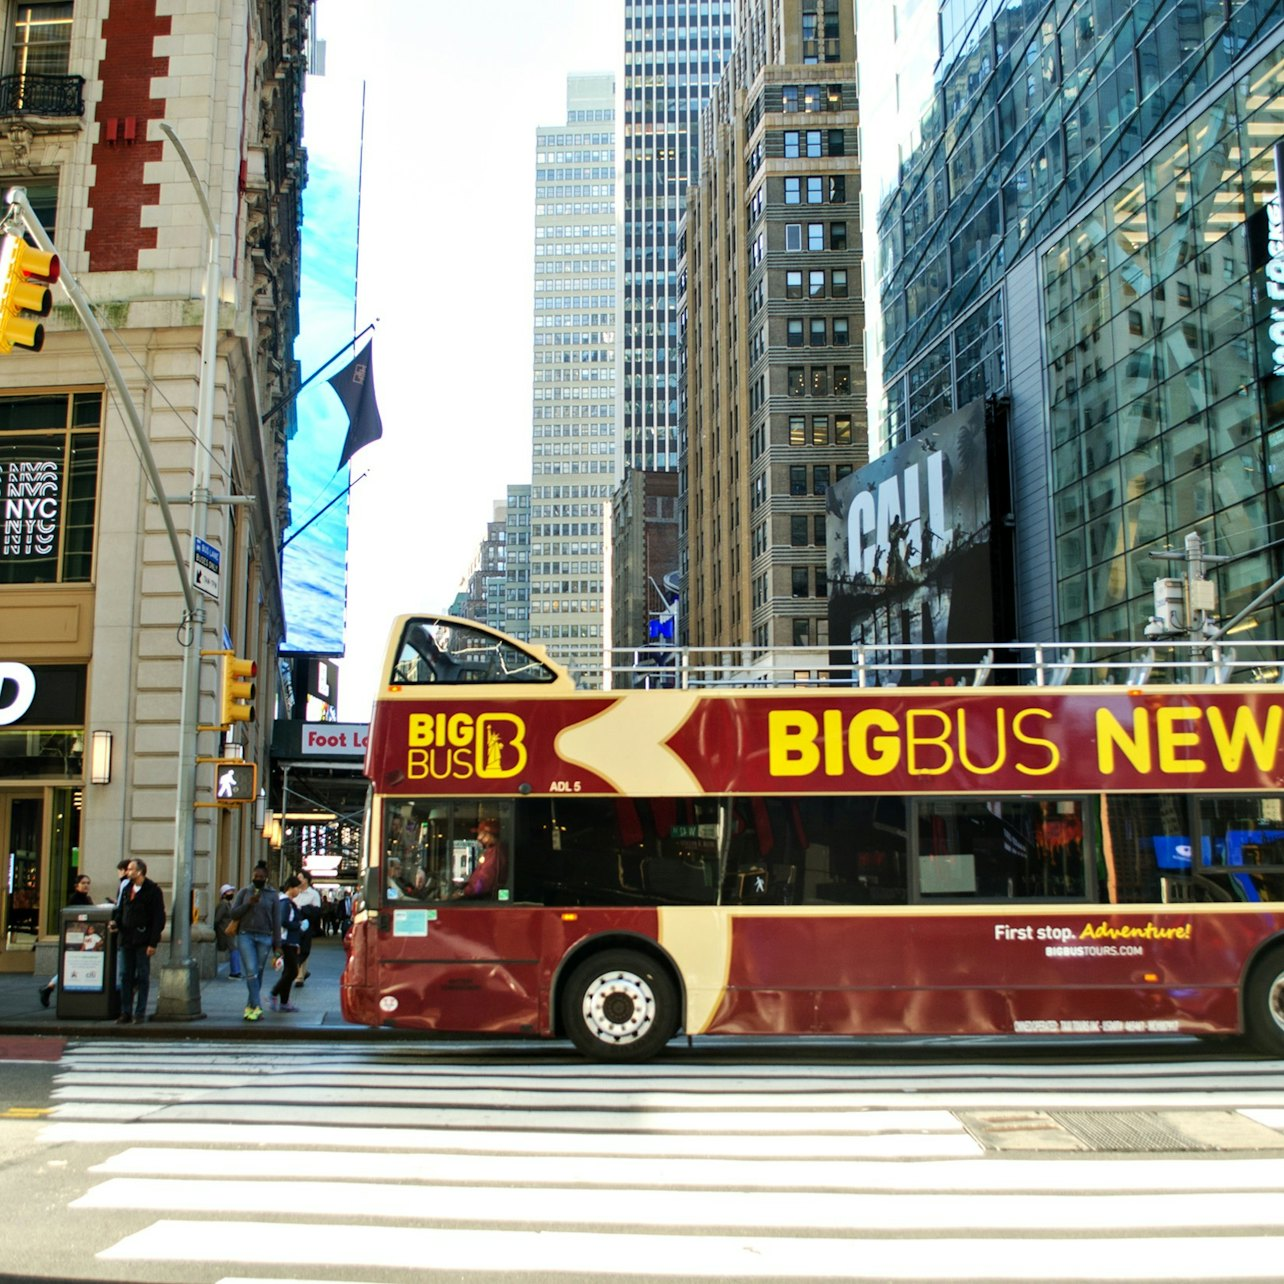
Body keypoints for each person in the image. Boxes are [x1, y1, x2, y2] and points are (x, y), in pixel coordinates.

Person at [111, 859, 166, 1024]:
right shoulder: (127, 888)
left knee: (142, 976)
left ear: (140, 871)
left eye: (130, 869)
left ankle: (139, 1012)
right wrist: (116, 923)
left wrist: (153, 943)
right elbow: (121, 910)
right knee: (125, 976)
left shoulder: (153, 890)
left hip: (143, 939)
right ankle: (125, 1011)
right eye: (127, 869)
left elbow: (159, 918)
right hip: (126, 938)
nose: (127, 872)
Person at [228, 861, 280, 1021]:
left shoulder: (272, 895)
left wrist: (277, 945)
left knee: (258, 971)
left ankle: (250, 1007)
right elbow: (233, 913)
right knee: (251, 970)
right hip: (246, 935)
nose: (258, 878)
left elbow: (276, 920)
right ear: (252, 876)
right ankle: (257, 1005)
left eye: (262, 877)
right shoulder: (244, 893)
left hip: (265, 936)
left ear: (266, 878)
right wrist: (248, 904)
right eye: (256, 876)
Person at [37, 873, 93, 1007]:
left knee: (71, 966)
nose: (86, 885)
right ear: (76, 885)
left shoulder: (87, 899)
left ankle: (49, 987)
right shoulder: (75, 899)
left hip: (83, 937)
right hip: (76, 937)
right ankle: (49, 987)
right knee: (70, 966)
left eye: (88, 883)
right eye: (83, 883)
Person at [268, 875, 303, 1012]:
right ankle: (274, 993)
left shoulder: (287, 902)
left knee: (288, 972)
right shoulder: (285, 903)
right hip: (286, 941)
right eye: (297, 888)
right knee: (293, 971)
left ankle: (284, 1002)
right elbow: (283, 921)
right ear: (291, 888)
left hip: (291, 941)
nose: (299, 891)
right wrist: (298, 925)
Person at [452, 818, 508, 899]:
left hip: (485, 898)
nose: (478, 838)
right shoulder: (493, 851)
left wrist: (463, 893)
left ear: (490, 835)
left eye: (481, 834)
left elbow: (483, 881)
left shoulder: (494, 853)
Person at [294, 870, 321, 986]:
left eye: (300, 877)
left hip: (306, 925)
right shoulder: (294, 892)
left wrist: (303, 909)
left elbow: (316, 912)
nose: (298, 879)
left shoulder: (313, 894)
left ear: (306, 880)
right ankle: (302, 972)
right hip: (294, 925)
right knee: (295, 948)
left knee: (304, 949)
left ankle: (299, 976)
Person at [213, 883, 242, 979]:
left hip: (228, 931)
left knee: (234, 950)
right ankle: (235, 972)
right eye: (230, 892)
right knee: (234, 949)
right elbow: (217, 919)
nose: (232, 893)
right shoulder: (222, 905)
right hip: (224, 932)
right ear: (224, 894)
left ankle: (236, 971)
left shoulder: (228, 905)